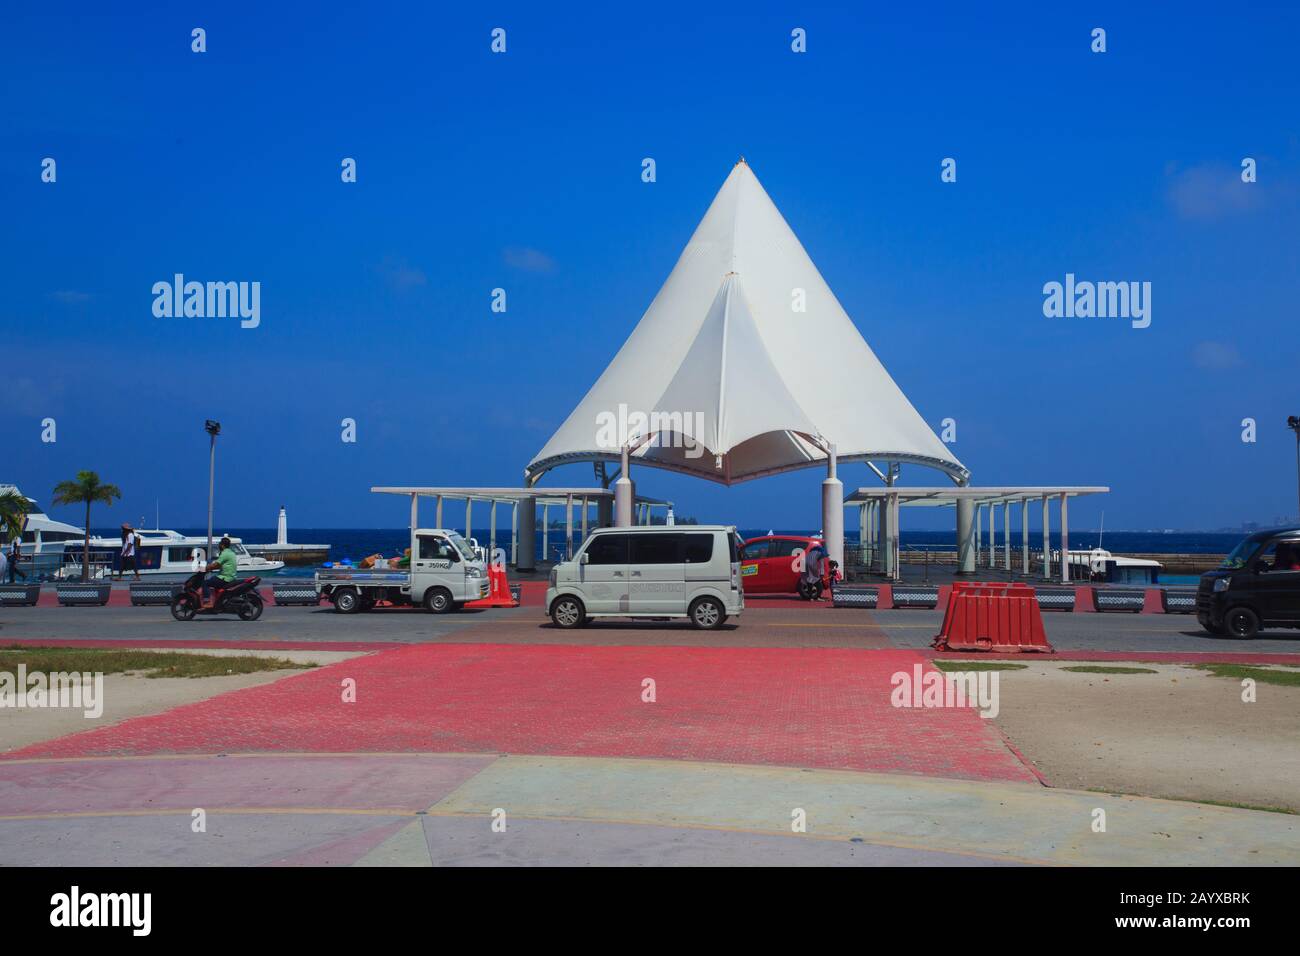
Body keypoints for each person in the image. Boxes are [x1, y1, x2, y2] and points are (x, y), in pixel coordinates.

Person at [202, 536, 239, 608]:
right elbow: (219, 565)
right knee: (213, 579)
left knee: (205, 583)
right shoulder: (231, 552)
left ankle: (208, 601)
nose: (219, 545)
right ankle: (217, 602)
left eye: (219, 544)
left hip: (225, 578)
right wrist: (210, 568)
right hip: (230, 577)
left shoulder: (224, 553)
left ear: (222, 545)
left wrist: (205, 568)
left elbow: (216, 564)